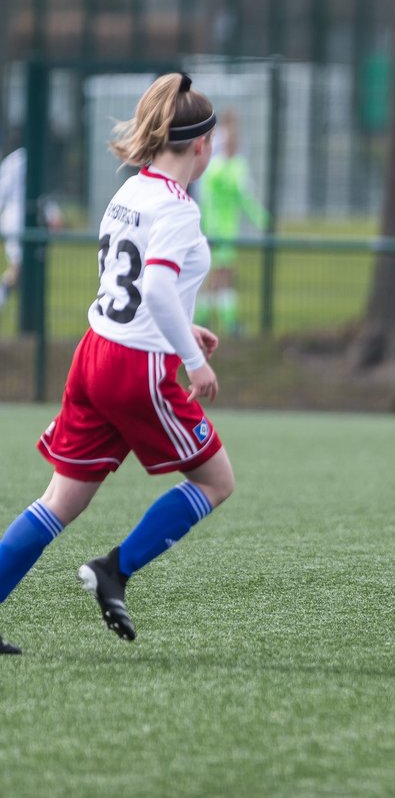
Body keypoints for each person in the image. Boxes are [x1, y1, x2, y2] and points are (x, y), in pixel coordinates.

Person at [0, 73, 234, 655]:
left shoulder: (130, 190)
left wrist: (182, 321)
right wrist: (189, 359)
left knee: (61, 500)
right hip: (135, 368)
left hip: (95, 352)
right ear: (201, 145)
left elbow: (129, 285)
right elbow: (154, 289)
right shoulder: (179, 209)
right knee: (216, 480)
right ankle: (114, 570)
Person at [195, 111, 267, 335]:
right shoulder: (221, 168)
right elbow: (212, 199)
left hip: (226, 229)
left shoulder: (231, 166)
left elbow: (245, 200)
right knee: (219, 275)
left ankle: (210, 318)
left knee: (222, 274)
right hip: (216, 230)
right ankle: (220, 320)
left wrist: (260, 219)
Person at [0, 129, 64, 312]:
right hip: (16, 220)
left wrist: (52, 215)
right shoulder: (18, 161)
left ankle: (24, 307)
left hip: (27, 219)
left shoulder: (24, 160)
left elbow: (42, 195)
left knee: (28, 267)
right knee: (20, 266)